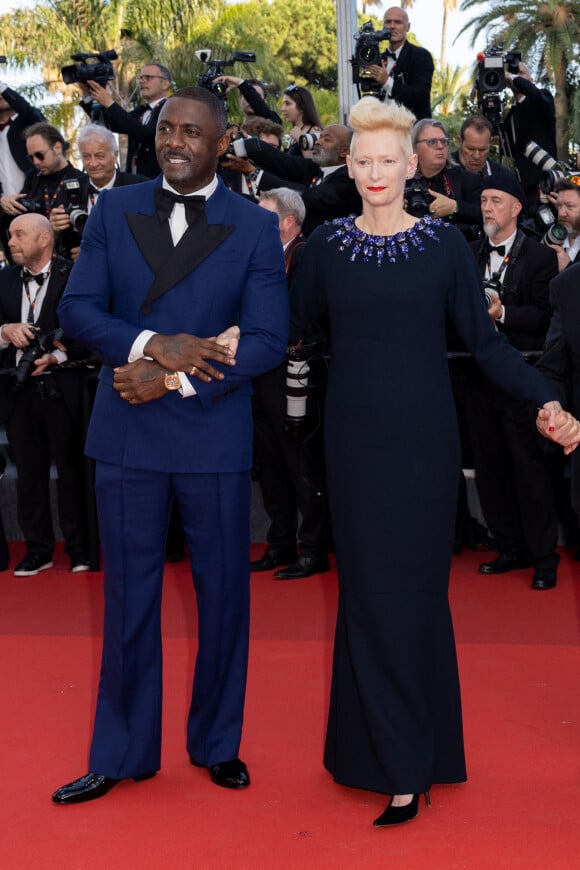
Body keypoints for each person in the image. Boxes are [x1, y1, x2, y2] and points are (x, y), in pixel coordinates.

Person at [289, 97, 561, 827]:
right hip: (352, 448)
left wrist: (545, 400)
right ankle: (374, 752)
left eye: (390, 160)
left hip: (424, 450)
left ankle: (414, 759)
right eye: (364, 161)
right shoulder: (326, 248)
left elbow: (489, 345)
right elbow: (283, 329)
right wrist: (209, 342)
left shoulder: (444, 247)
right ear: (350, 167)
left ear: (413, 164)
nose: (376, 173)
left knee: (412, 598)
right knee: (368, 596)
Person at [51, 86, 289, 804]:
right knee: (128, 600)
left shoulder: (252, 226)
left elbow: (271, 339)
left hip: (211, 431)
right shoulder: (114, 211)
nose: (176, 142)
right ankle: (121, 752)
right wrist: (157, 346)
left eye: (192, 132)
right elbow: (77, 309)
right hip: (126, 432)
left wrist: (177, 380)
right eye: (166, 131)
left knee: (223, 600)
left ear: (222, 145)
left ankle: (218, 743)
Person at [467, 176, 560, 589]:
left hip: (522, 376)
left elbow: (543, 318)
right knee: (490, 467)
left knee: (529, 469)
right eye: (483, 201)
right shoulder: (468, 254)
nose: (487, 208)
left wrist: (503, 315)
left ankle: (543, 557)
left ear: (516, 208)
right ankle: (509, 546)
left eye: (495, 201)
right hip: (477, 378)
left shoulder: (539, 257)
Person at [0, 214, 91, 576]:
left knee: (72, 471)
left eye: (20, 235)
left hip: (62, 387)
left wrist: (58, 354)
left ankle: (81, 548)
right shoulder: (4, 280)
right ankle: (38, 550)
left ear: (45, 239)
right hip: (17, 390)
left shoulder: (76, 276)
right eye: (9, 235)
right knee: (28, 475)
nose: (11, 242)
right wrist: (6, 331)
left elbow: (89, 327)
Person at [251, 187, 330, 579]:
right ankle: (279, 542)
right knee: (270, 464)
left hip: (296, 374)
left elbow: (300, 314)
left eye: (263, 216)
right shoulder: (260, 260)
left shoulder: (306, 255)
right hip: (261, 373)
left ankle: (313, 548)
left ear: (286, 221)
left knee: (301, 464)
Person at [234, 124, 362, 235]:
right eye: (320, 136)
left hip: (329, 252)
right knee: (236, 201)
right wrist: (248, 142)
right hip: (303, 245)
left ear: (344, 152)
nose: (318, 142)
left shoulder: (349, 178)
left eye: (327, 139)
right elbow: (281, 161)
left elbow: (309, 197)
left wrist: (253, 172)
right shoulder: (314, 167)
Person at [49, 124, 147, 259]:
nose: (93, 164)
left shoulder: (139, 187)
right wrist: (54, 230)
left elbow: (150, 238)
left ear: (115, 155)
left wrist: (99, 253)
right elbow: (57, 245)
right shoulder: (70, 189)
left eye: (100, 156)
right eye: (87, 157)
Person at [79, 62, 172, 178]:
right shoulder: (140, 110)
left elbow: (145, 133)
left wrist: (110, 103)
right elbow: (112, 124)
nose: (142, 81)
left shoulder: (171, 108)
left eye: (148, 77)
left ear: (165, 84)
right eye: (141, 78)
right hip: (136, 182)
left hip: (159, 181)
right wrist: (88, 96)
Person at [503, 63, 557, 213]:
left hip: (544, 183)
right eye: (514, 73)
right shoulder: (512, 114)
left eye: (521, 73)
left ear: (531, 80)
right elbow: (510, 148)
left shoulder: (543, 97)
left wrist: (510, 76)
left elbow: (535, 94)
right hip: (522, 188)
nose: (517, 77)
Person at [365, 5, 434, 121]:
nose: (392, 26)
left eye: (398, 22)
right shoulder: (377, 59)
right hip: (381, 128)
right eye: (388, 22)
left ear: (408, 27)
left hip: (411, 131)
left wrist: (387, 82)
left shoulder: (421, 56)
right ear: (383, 26)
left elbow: (420, 96)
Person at [211, 76, 282, 124]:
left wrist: (240, 83)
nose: (251, 99)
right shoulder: (235, 132)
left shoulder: (274, 121)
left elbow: (263, 109)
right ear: (240, 100)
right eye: (246, 96)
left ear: (265, 101)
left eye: (258, 96)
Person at [279, 85, 322, 157]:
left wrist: (300, 139)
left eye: (287, 103)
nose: (282, 109)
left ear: (302, 107)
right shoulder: (293, 133)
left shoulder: (314, 130)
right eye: (283, 104)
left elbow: (313, 160)